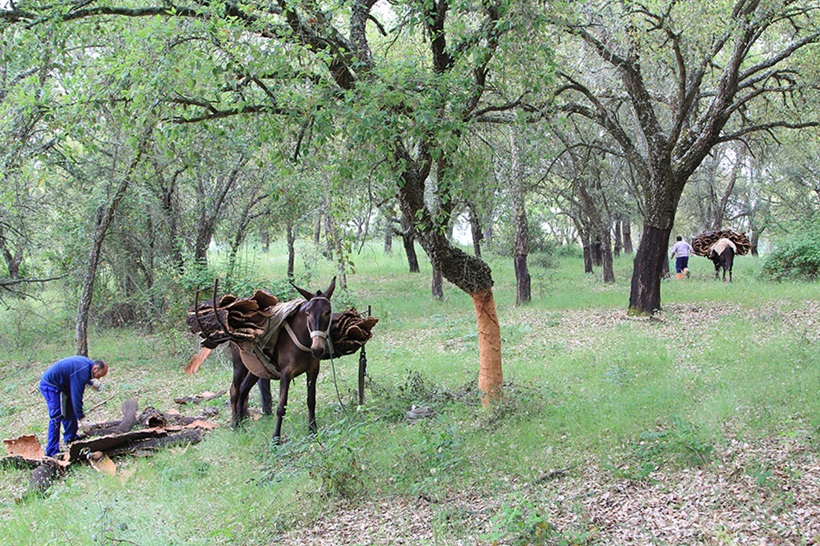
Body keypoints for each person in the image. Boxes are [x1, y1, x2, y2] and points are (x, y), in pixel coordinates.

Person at [39, 356, 108, 458]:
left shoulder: (87, 365)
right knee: (56, 416)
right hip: (51, 386)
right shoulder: (83, 370)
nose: (98, 378)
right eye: (99, 375)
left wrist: (90, 383)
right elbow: (77, 397)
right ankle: (51, 451)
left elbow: (76, 375)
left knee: (70, 410)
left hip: (63, 385)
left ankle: (70, 438)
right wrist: (82, 418)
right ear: (95, 368)